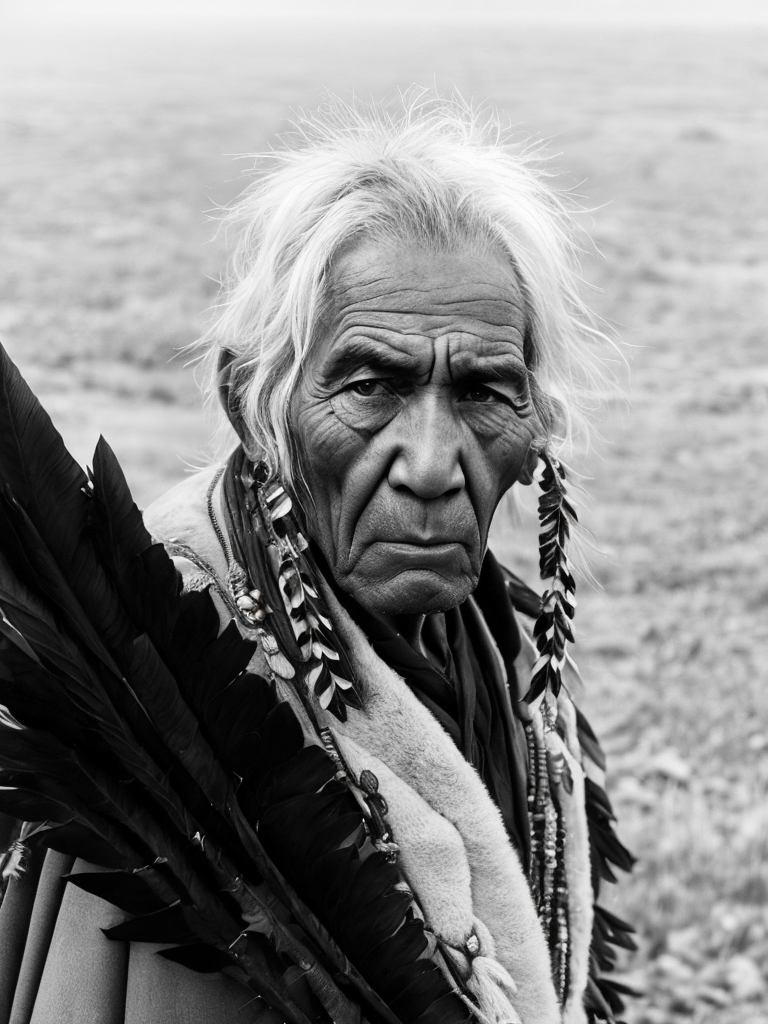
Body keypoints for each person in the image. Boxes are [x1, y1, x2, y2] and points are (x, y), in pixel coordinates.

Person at [0, 96, 633, 1024]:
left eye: (483, 390)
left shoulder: (499, 647)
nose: (429, 466)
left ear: (538, 420)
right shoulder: (157, 688)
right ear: (253, 402)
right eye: (371, 386)